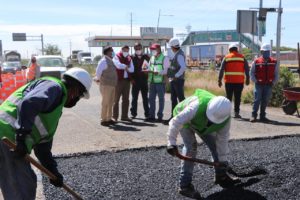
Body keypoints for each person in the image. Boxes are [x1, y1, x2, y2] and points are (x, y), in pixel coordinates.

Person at [0, 67, 92, 199]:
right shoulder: (54, 87)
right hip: (7, 137)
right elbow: (29, 102)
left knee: (19, 184)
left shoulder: (55, 107)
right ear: (76, 90)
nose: (77, 100)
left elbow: (43, 149)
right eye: (80, 95)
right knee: (22, 187)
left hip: (9, 138)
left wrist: (53, 173)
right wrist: (20, 138)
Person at [166, 89, 240, 199]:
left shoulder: (225, 121)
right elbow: (175, 121)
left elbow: (222, 142)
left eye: (213, 121)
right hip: (185, 120)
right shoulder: (196, 106)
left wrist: (222, 161)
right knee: (191, 148)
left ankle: (221, 176)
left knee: (216, 147)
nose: (211, 121)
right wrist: (171, 142)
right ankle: (185, 186)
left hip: (201, 125)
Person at [218, 44, 250, 118]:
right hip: (239, 82)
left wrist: (219, 80)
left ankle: (227, 114)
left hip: (229, 82)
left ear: (229, 50)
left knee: (228, 98)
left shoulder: (226, 57)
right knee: (237, 97)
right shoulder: (242, 57)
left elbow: (221, 69)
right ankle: (236, 112)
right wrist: (247, 78)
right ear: (237, 49)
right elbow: (247, 69)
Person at [250, 43, 279, 122]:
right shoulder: (256, 61)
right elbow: (251, 73)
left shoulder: (274, 62)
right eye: (264, 51)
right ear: (261, 52)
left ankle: (262, 116)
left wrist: (273, 82)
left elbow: (276, 74)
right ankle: (253, 115)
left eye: (267, 51)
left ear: (270, 52)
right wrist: (256, 81)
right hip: (259, 84)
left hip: (268, 85)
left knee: (265, 100)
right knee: (257, 99)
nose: (266, 53)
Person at [94, 46, 118, 126]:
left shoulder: (111, 60)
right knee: (105, 102)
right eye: (111, 51)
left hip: (111, 85)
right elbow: (98, 72)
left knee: (111, 102)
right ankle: (103, 119)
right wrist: (100, 80)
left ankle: (109, 118)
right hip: (106, 85)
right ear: (107, 52)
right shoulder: (103, 61)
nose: (113, 52)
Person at [147, 43, 170, 122]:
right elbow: (149, 67)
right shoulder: (151, 58)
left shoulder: (165, 58)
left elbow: (166, 70)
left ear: (159, 49)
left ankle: (160, 116)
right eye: (152, 49)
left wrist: (159, 72)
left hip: (160, 82)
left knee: (161, 99)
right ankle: (151, 116)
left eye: (154, 49)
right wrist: (146, 70)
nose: (152, 51)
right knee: (151, 99)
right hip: (152, 81)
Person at [112, 45, 134, 122]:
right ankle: (115, 116)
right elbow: (118, 65)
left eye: (127, 51)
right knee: (116, 99)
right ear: (121, 50)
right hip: (118, 80)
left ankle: (124, 116)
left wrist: (125, 67)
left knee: (126, 99)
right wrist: (126, 66)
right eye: (124, 50)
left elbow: (132, 69)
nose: (126, 52)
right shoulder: (116, 56)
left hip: (127, 81)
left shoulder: (129, 58)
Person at [167, 38, 186, 122]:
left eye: (171, 47)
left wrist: (176, 75)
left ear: (173, 47)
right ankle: (173, 116)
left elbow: (183, 67)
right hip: (175, 80)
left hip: (177, 80)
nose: (171, 49)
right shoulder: (178, 54)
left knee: (181, 99)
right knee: (174, 98)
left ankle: (185, 117)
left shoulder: (179, 55)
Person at [130, 42, 150, 120]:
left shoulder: (146, 57)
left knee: (145, 98)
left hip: (144, 80)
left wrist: (148, 75)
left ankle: (147, 113)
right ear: (134, 49)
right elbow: (129, 69)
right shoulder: (131, 57)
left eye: (139, 48)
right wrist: (131, 79)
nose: (138, 50)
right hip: (135, 81)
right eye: (136, 48)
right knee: (134, 98)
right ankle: (133, 113)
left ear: (141, 48)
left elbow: (150, 67)